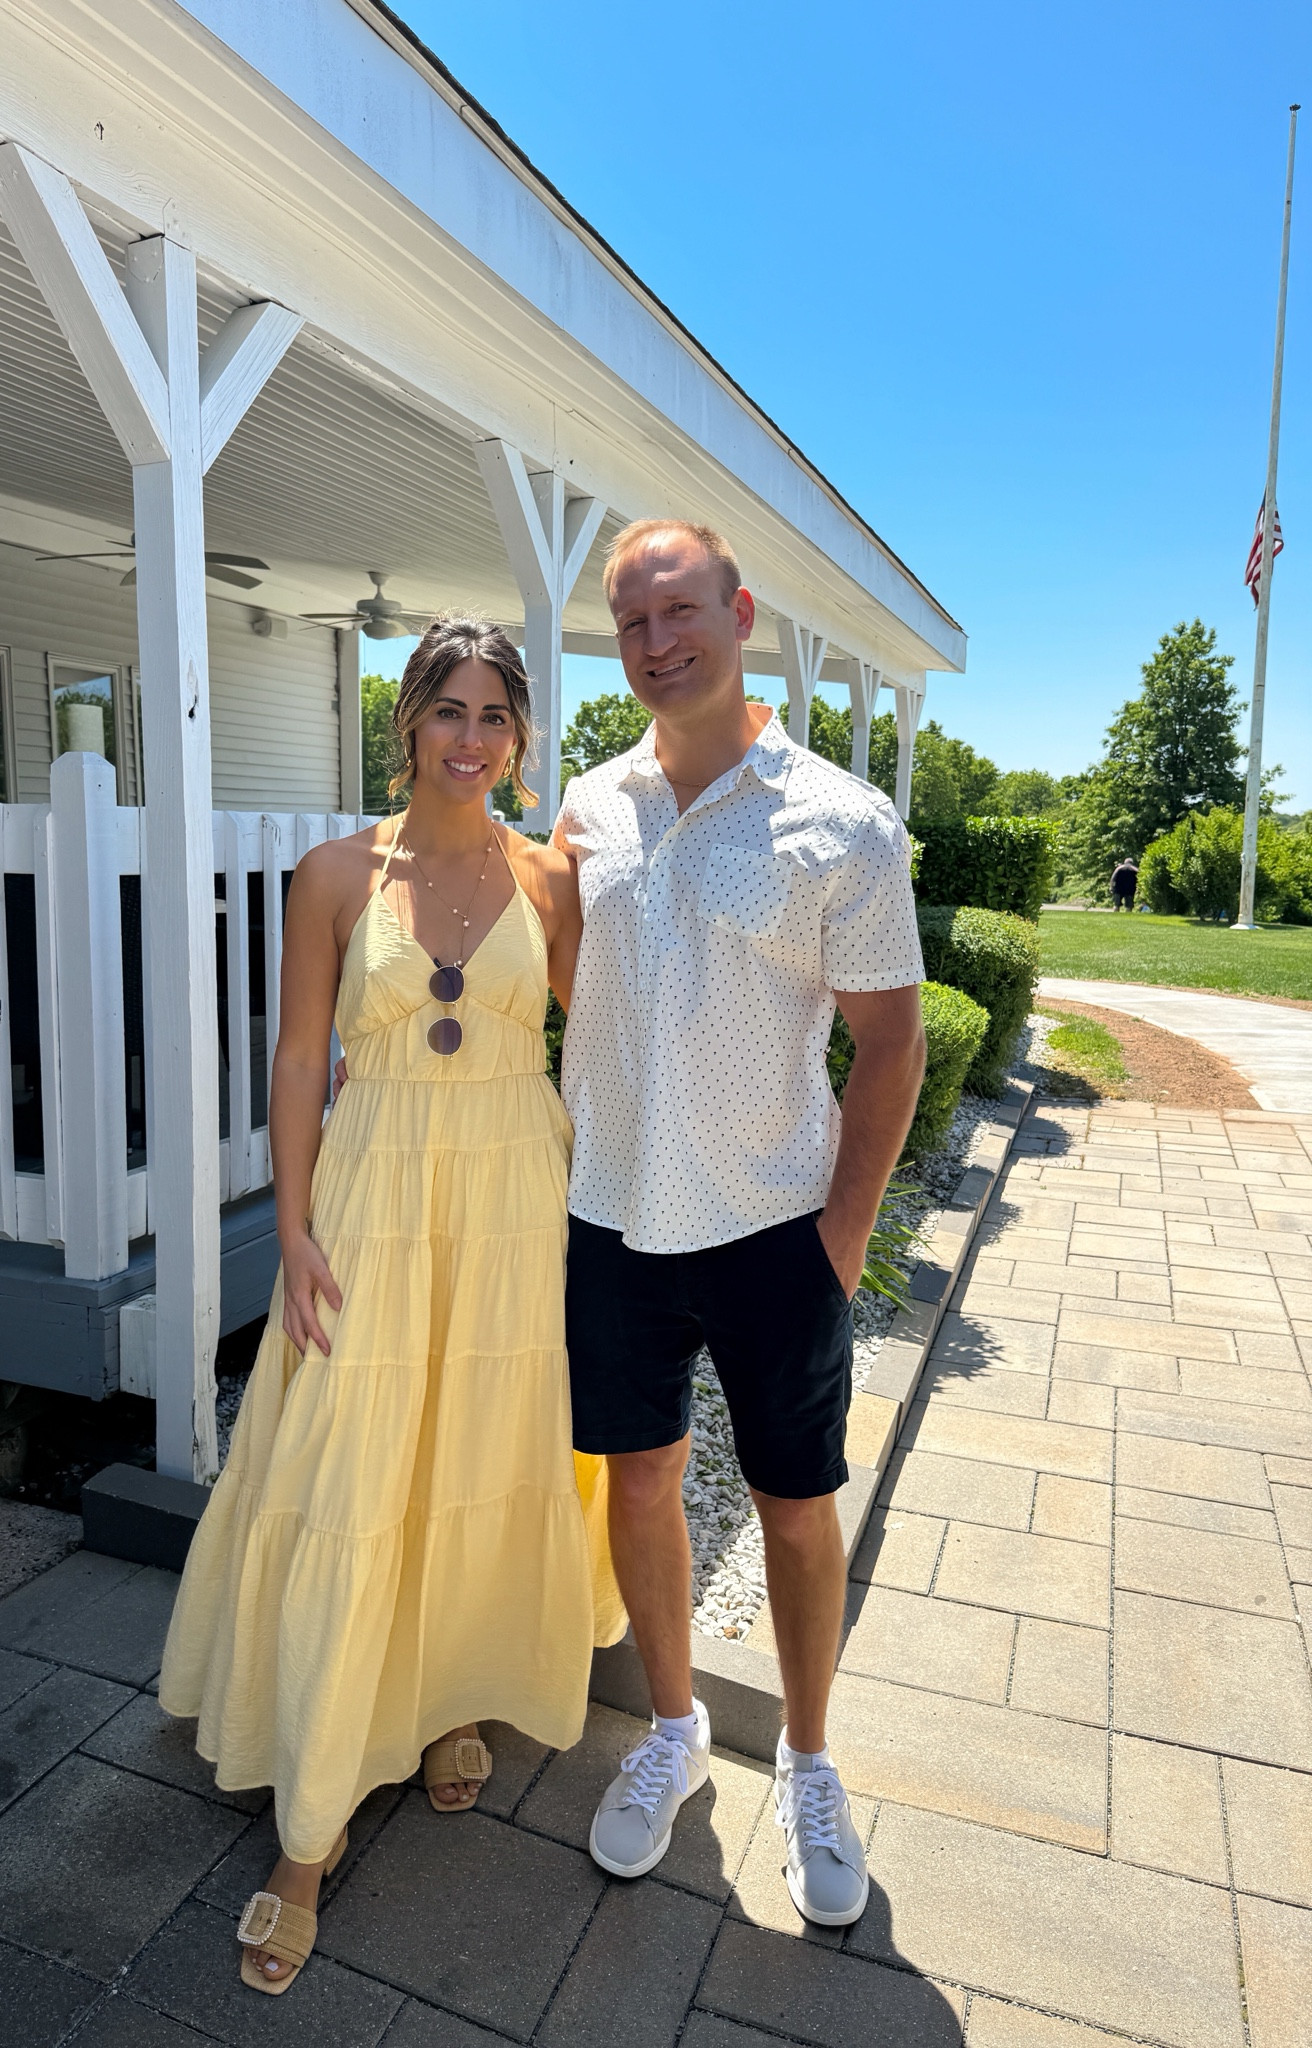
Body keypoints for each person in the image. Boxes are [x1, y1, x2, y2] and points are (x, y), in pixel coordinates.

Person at [159, 616, 623, 1996]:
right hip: (370, 1197)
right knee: (356, 1466)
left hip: (508, 1201)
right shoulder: (332, 874)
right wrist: (291, 1228)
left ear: (521, 736)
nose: (470, 740)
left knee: (475, 1458)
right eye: (448, 712)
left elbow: (588, 1063)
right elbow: (300, 1056)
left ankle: (445, 1702)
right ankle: (305, 1840)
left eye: (495, 715)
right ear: (406, 723)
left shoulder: (555, 884)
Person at [554, 519, 926, 1925]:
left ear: (740, 612)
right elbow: (566, 985)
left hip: (776, 1229)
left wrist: (841, 1239)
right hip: (615, 1219)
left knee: (792, 1505)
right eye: (634, 622)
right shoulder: (589, 809)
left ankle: (813, 1761)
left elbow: (890, 1046)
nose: (659, 643)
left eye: (681, 612)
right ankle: (670, 1729)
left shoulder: (840, 821)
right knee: (642, 1487)